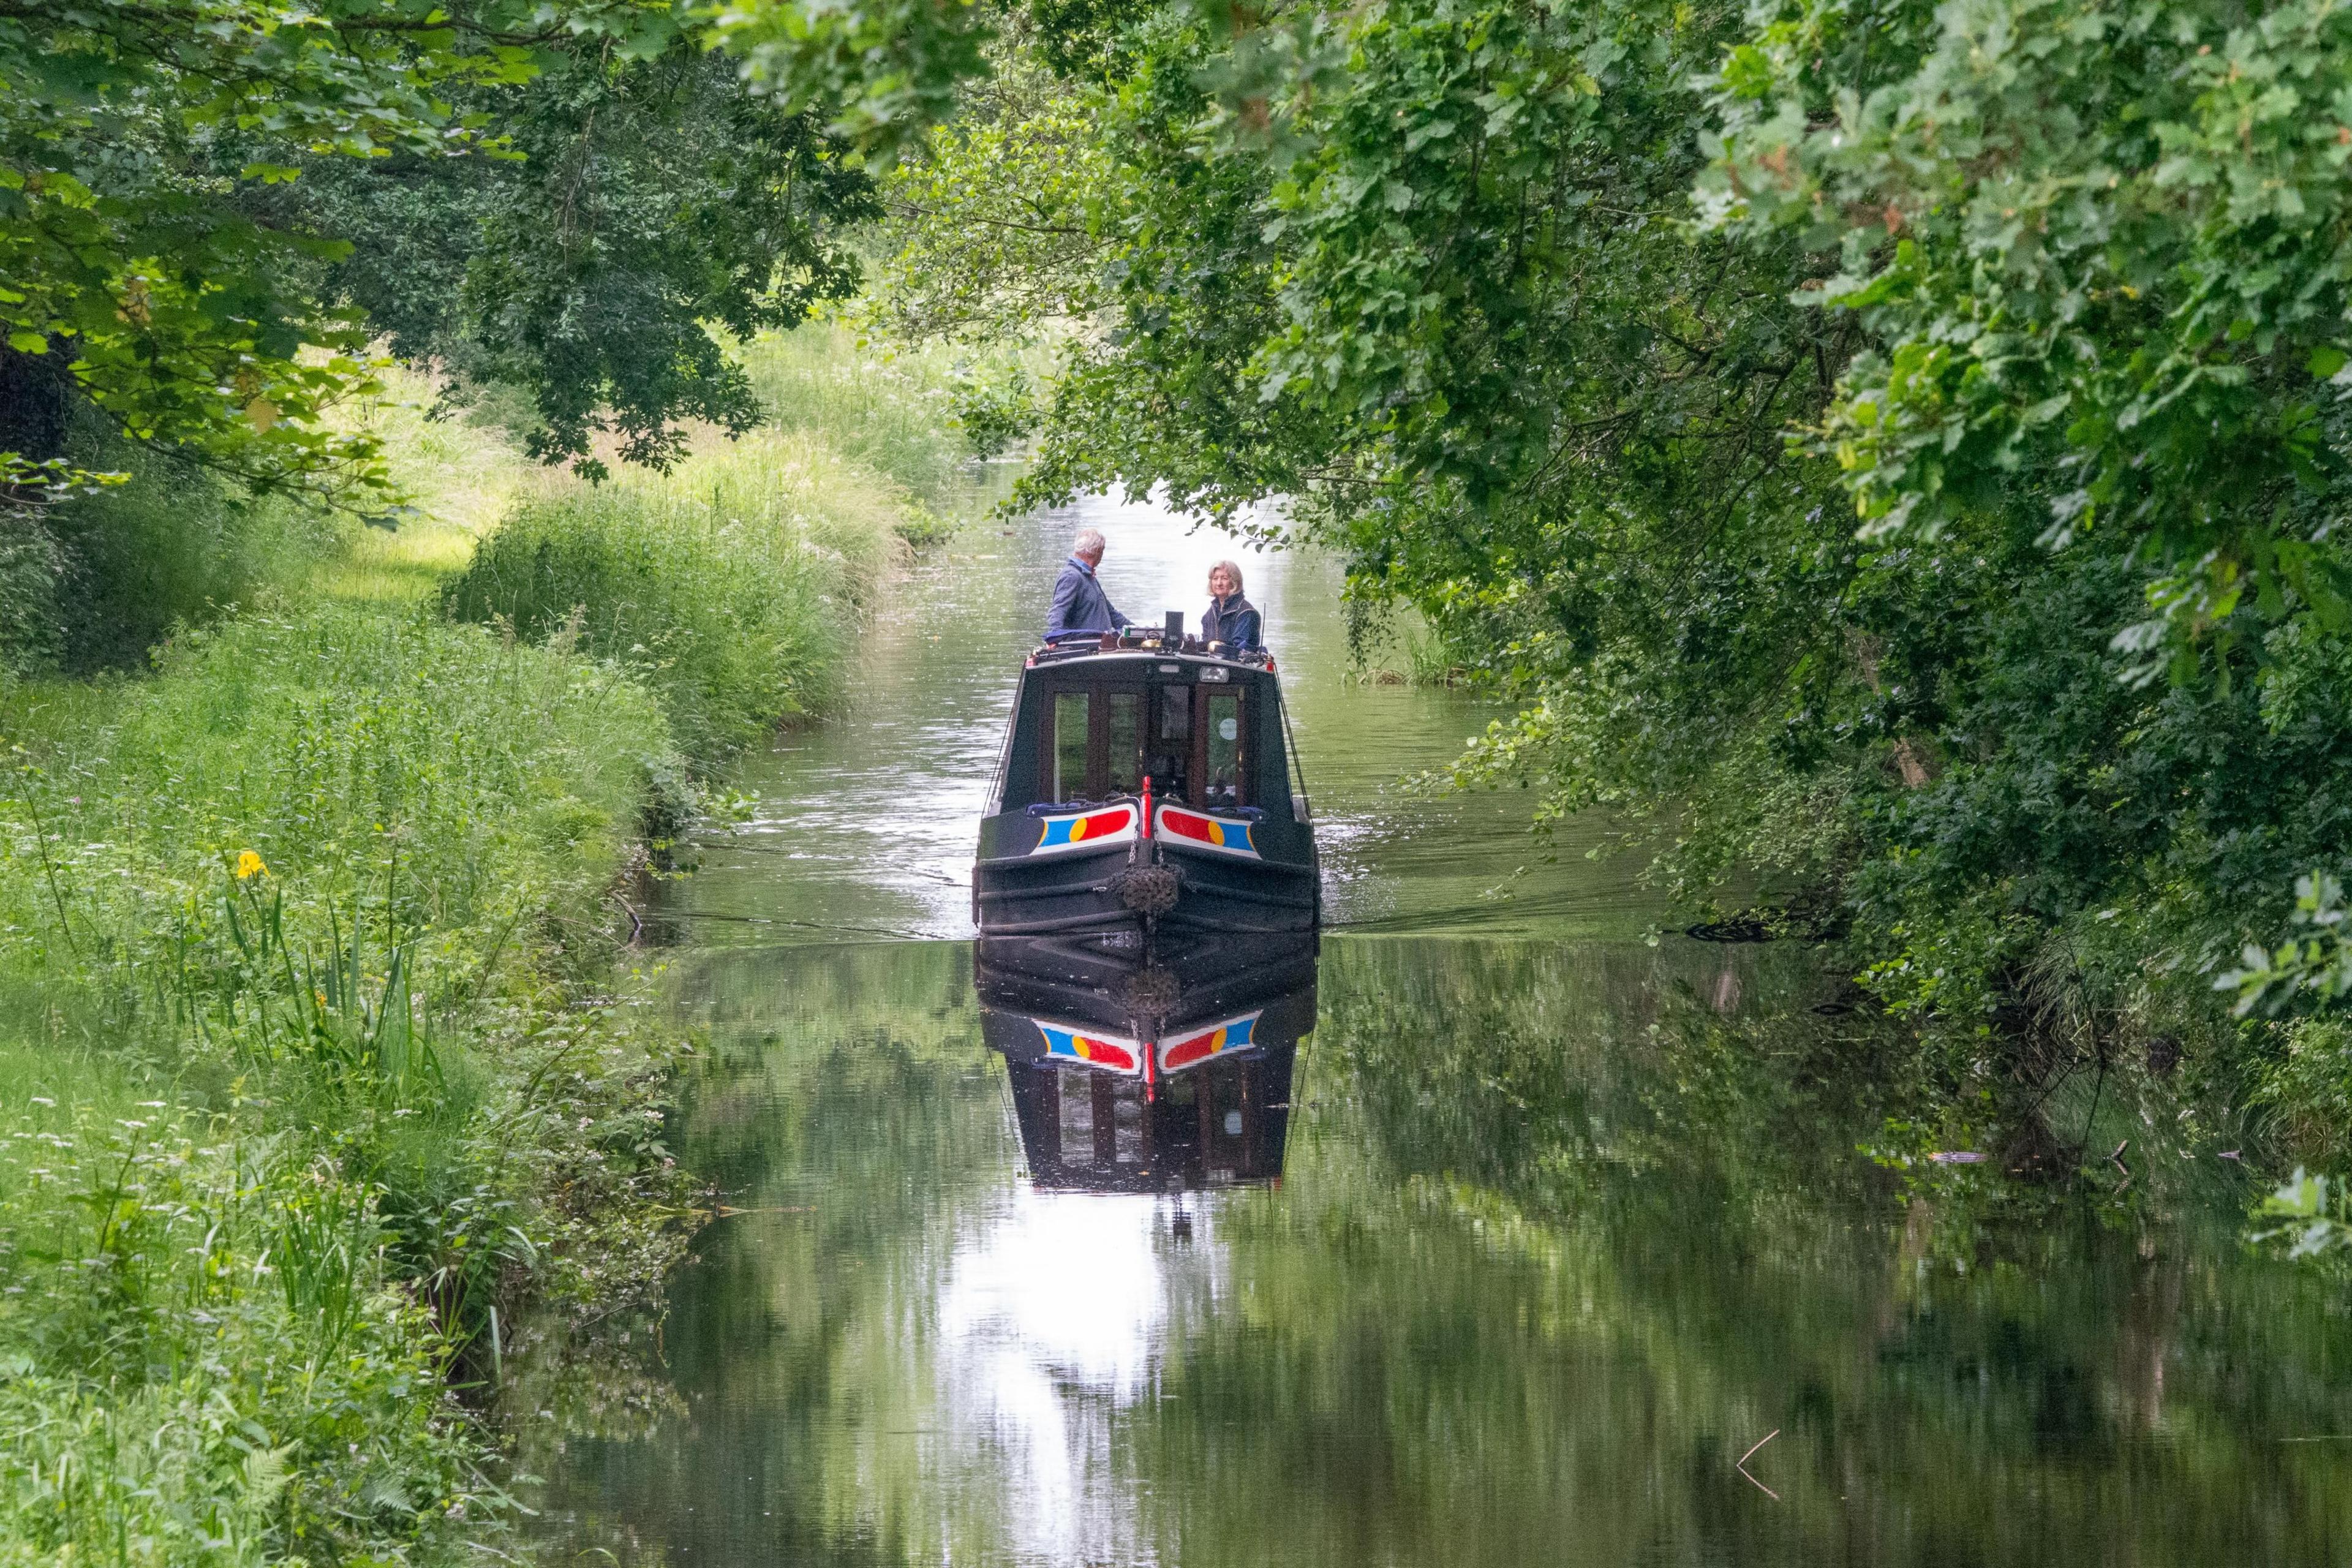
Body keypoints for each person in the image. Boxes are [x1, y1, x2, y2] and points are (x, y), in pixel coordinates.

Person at [1045, 527, 1125, 643]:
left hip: (1101, 646)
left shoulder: (1088, 577)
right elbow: (1057, 612)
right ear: (1097, 551)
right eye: (1102, 550)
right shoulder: (1072, 576)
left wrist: (1139, 631)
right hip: (1086, 648)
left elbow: (1112, 614)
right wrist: (1055, 641)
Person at [1201, 559, 1262, 650]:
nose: (1219, 583)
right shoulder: (1211, 612)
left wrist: (1215, 647)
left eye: (1224, 578)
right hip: (1212, 663)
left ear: (1235, 582)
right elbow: (1205, 644)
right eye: (1215, 578)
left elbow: (1241, 650)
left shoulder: (1247, 613)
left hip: (1236, 663)